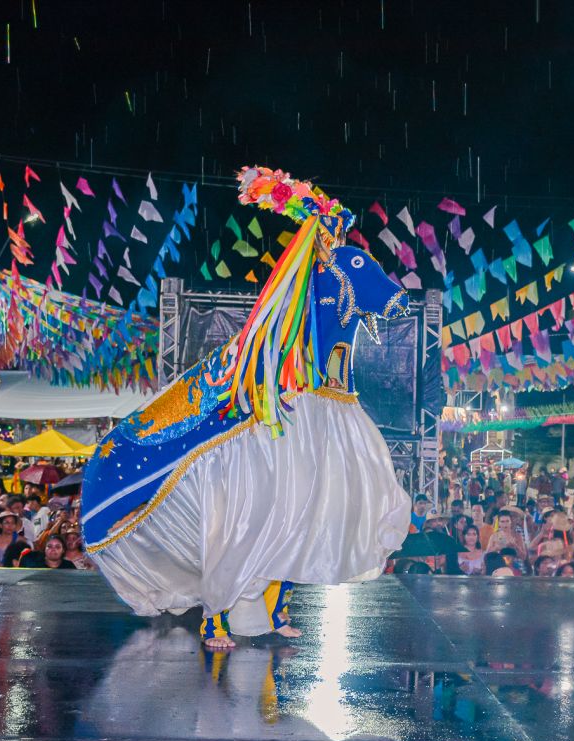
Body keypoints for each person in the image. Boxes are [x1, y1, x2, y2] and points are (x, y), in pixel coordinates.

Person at [80, 169, 411, 651]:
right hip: (291, 411)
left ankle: (273, 612)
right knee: (254, 517)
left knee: (302, 519)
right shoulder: (318, 281)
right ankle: (216, 618)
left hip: (328, 407)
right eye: (331, 233)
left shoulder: (333, 276)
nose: (338, 238)